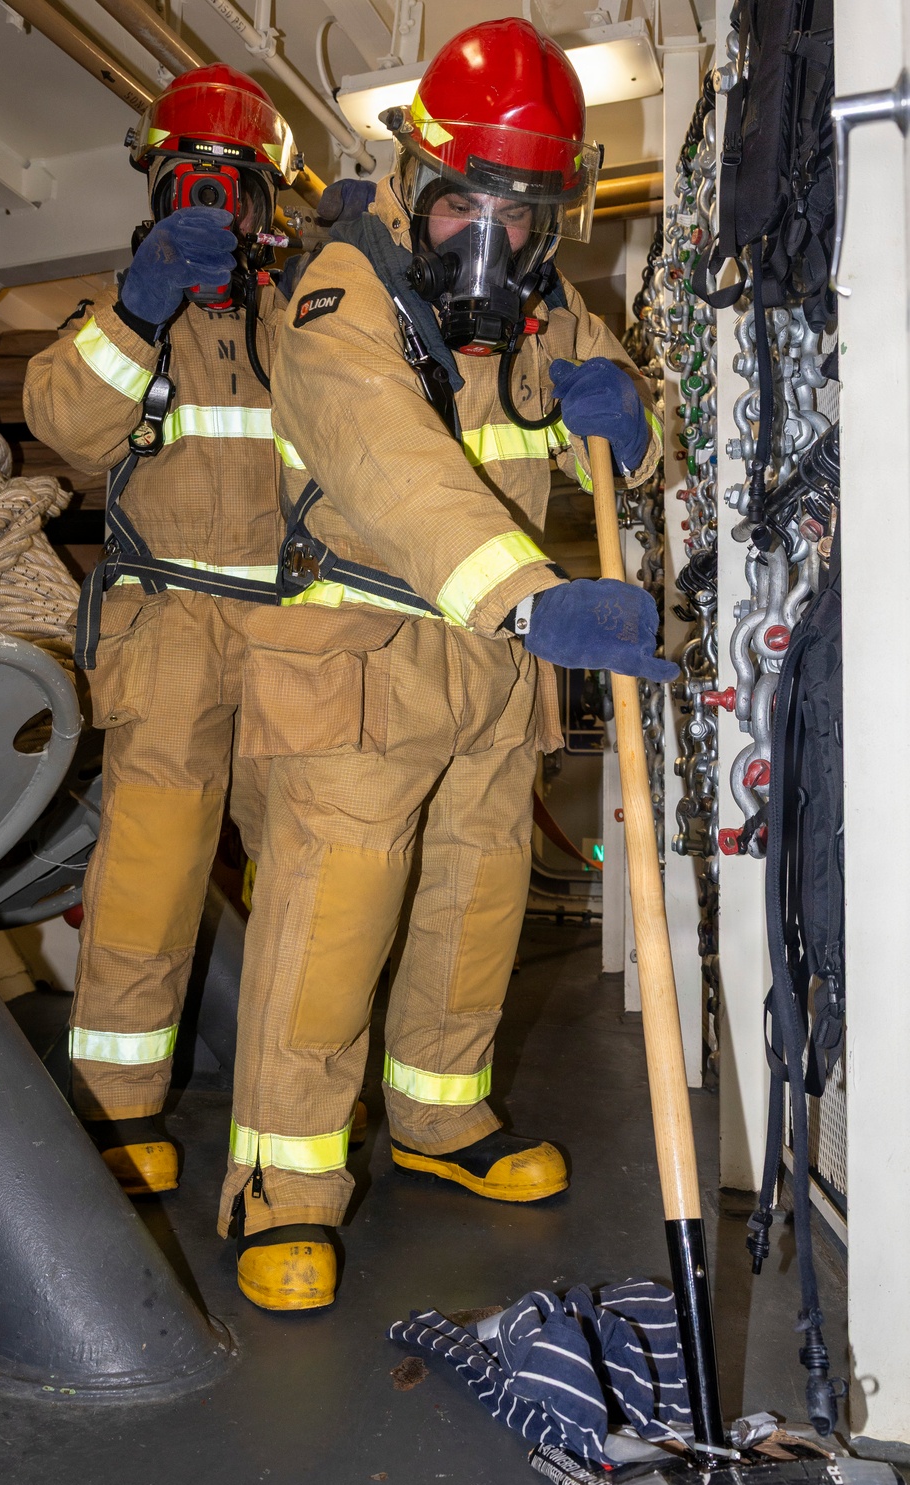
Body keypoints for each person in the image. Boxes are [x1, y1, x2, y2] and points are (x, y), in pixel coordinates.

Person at [216, 18, 675, 1311]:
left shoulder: (546, 307)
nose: (493, 236)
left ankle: (441, 1118)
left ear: (555, 213)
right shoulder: (332, 302)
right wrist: (534, 602)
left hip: (486, 679)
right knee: (332, 922)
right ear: (418, 182)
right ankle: (281, 1188)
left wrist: (630, 416)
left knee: (477, 903)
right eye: (466, 199)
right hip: (361, 661)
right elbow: (395, 469)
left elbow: (635, 440)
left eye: (523, 211)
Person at [24, 64, 302, 1195]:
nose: (210, 207)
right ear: (155, 186)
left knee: (310, 881)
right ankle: (119, 1109)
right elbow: (60, 422)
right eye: (190, 180)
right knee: (147, 882)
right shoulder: (117, 311)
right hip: (171, 629)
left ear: (266, 205)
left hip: (299, 636)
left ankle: (297, 1113)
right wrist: (140, 309)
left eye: (232, 190)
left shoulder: (308, 323)